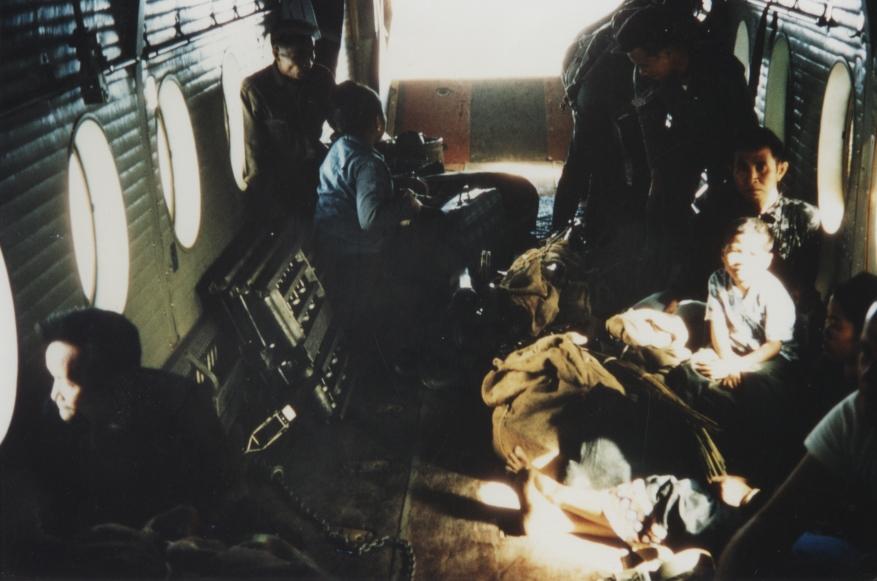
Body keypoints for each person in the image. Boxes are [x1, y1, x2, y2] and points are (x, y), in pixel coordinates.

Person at [34, 308, 235, 534]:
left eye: (68, 382)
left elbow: (221, 491)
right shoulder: (55, 420)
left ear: (114, 385)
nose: (54, 394)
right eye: (53, 378)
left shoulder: (185, 407)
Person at [716, 300, 877, 579]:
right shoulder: (857, 414)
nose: (868, 373)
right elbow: (769, 526)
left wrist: (750, 498)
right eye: (866, 354)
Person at [313, 81, 462, 363]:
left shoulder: (340, 148)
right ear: (378, 123)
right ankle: (428, 340)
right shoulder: (369, 162)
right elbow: (370, 220)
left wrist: (399, 183)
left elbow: (357, 189)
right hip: (360, 255)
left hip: (332, 245)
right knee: (435, 245)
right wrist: (408, 205)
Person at [614, 4, 757, 293]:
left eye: (645, 64)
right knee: (660, 208)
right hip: (686, 135)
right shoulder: (647, 78)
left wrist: (729, 178)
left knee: (722, 215)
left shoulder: (721, 71)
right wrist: (659, 179)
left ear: (668, 52)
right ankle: (659, 284)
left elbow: (743, 132)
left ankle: (709, 285)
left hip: (730, 145)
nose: (641, 72)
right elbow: (652, 135)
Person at [670, 218, 800, 485]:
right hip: (731, 349)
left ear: (766, 260)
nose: (741, 260)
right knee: (689, 370)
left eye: (752, 254)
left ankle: (750, 466)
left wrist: (736, 367)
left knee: (757, 387)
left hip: (771, 356)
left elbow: (773, 345)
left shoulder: (772, 292)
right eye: (735, 250)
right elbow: (717, 327)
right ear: (723, 254)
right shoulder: (717, 280)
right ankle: (694, 447)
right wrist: (728, 361)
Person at [693, 126, 822, 305]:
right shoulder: (717, 217)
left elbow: (804, 287)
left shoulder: (804, 218)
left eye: (761, 167)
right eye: (743, 168)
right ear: (732, 170)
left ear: (780, 170)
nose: (752, 177)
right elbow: (698, 276)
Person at [241, 19, 335, 225]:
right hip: (282, 184)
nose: (309, 62)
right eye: (299, 55)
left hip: (320, 172)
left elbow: (341, 123)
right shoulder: (255, 89)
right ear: (276, 53)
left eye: (312, 53)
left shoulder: (321, 78)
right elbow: (254, 156)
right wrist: (269, 208)